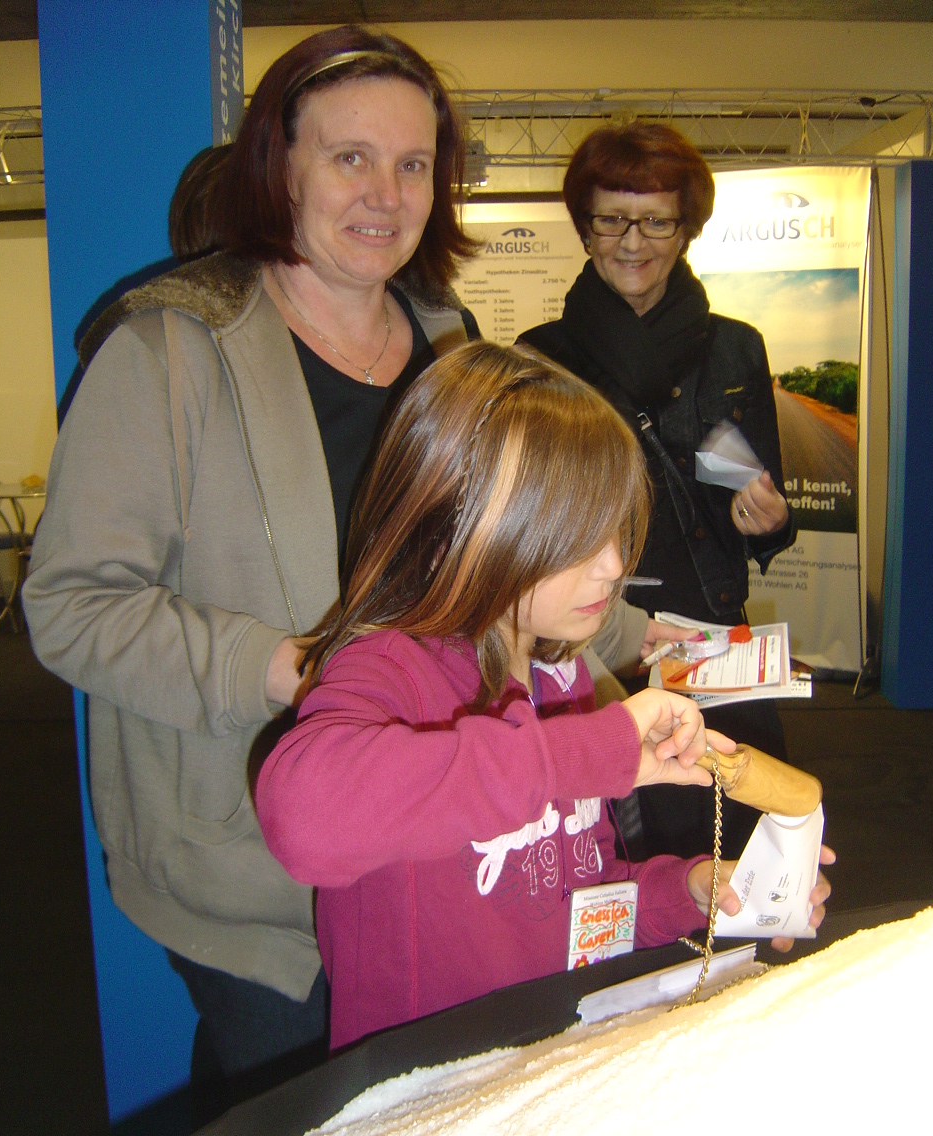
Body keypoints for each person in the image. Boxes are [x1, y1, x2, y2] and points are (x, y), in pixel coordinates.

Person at [23, 25, 489, 1113]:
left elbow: (486, 555)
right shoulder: (166, 351)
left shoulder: (449, 341)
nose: (385, 194)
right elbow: (71, 606)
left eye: (413, 164)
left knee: (406, 1114)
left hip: (424, 816)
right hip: (251, 861)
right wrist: (285, 668)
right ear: (281, 168)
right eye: (349, 157)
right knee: (301, 1112)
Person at [254, 343, 833, 1051]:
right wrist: (578, 756)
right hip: (428, 1078)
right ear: (454, 524)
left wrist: (686, 892)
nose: (614, 565)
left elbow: (574, 901)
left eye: (613, 529)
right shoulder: (390, 669)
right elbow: (302, 818)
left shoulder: (561, 677)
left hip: (544, 1056)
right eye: (575, 536)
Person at [519, 122, 796, 862]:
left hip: (711, 627)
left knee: (736, 824)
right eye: (612, 218)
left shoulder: (735, 348)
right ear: (585, 228)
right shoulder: (542, 357)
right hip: (595, 632)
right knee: (617, 837)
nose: (632, 241)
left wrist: (769, 521)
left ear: (687, 228)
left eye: (656, 220)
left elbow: (767, 507)